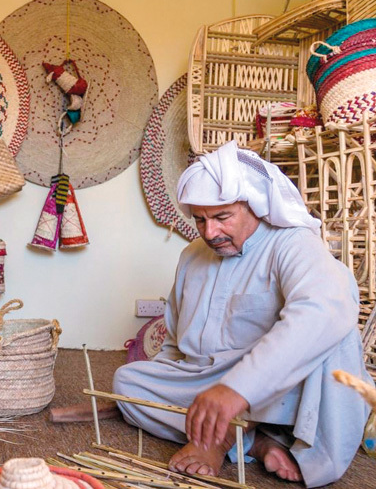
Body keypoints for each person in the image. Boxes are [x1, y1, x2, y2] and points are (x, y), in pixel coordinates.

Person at [113, 141, 373, 487]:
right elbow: (175, 343)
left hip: (277, 383)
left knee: (329, 337)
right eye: (200, 219)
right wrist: (174, 384)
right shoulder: (192, 256)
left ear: (255, 204)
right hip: (211, 381)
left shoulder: (292, 243)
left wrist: (238, 389)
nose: (210, 232)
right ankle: (252, 441)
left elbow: (324, 309)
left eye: (222, 217)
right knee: (128, 383)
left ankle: (221, 437)